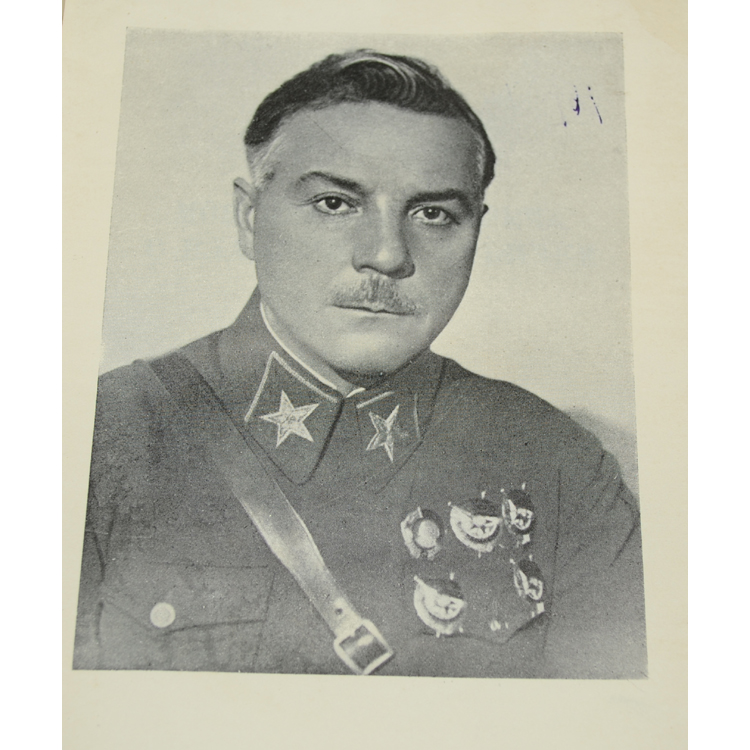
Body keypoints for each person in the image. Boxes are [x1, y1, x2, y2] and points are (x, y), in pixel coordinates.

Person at [73, 49, 646, 678]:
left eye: (433, 214)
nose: (387, 254)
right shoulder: (98, 438)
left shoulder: (561, 466)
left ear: (476, 230)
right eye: (334, 203)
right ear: (249, 218)